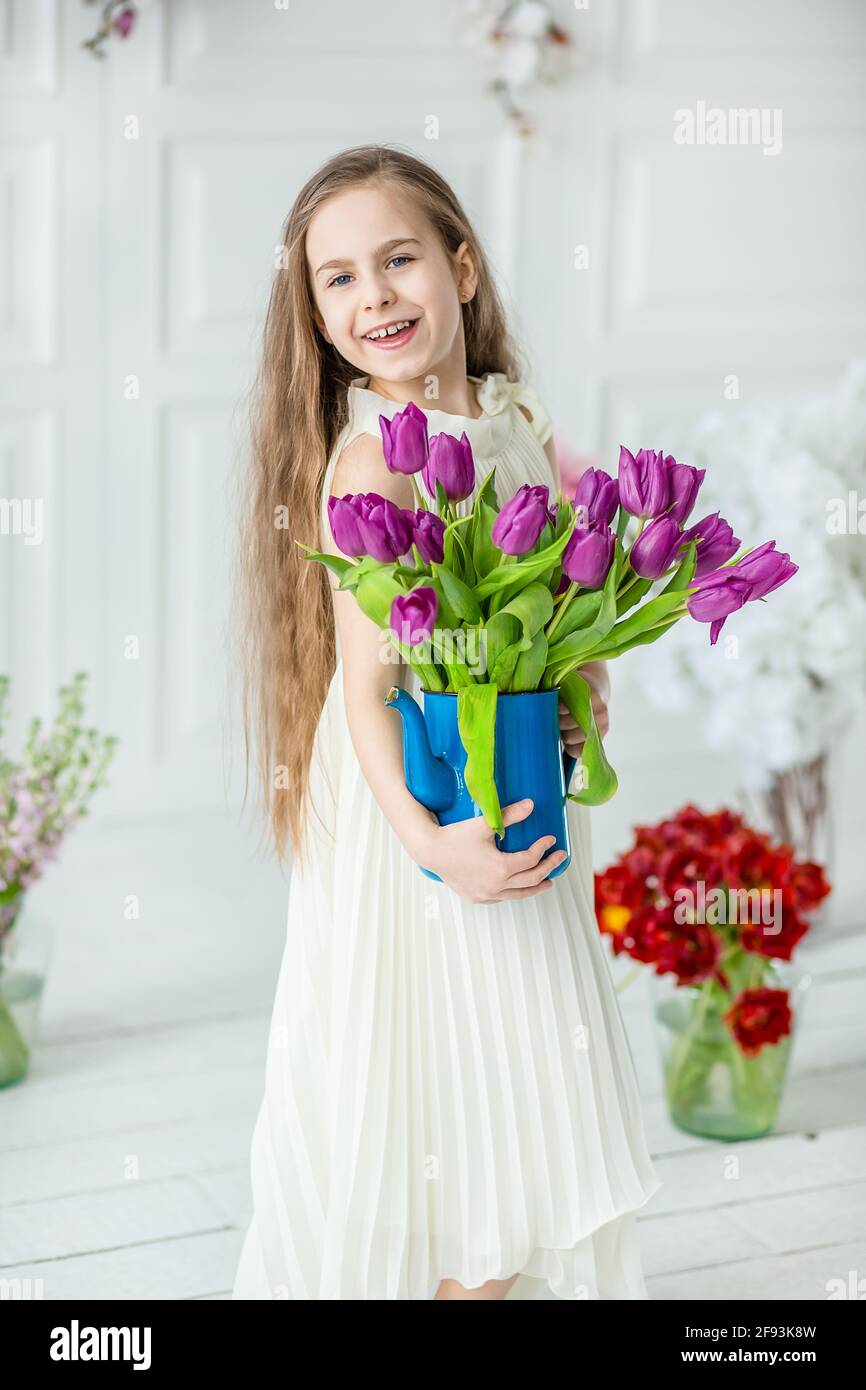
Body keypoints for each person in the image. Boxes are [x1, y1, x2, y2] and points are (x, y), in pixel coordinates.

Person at [231, 143, 661, 1301]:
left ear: (461, 269)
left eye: (398, 258)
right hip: (410, 812)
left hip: (501, 786)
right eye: (336, 278)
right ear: (315, 317)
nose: (372, 294)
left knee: (524, 1071)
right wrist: (428, 844)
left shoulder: (512, 422)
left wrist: (578, 696)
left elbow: (545, 619)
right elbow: (365, 692)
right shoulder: (374, 464)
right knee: (443, 1091)